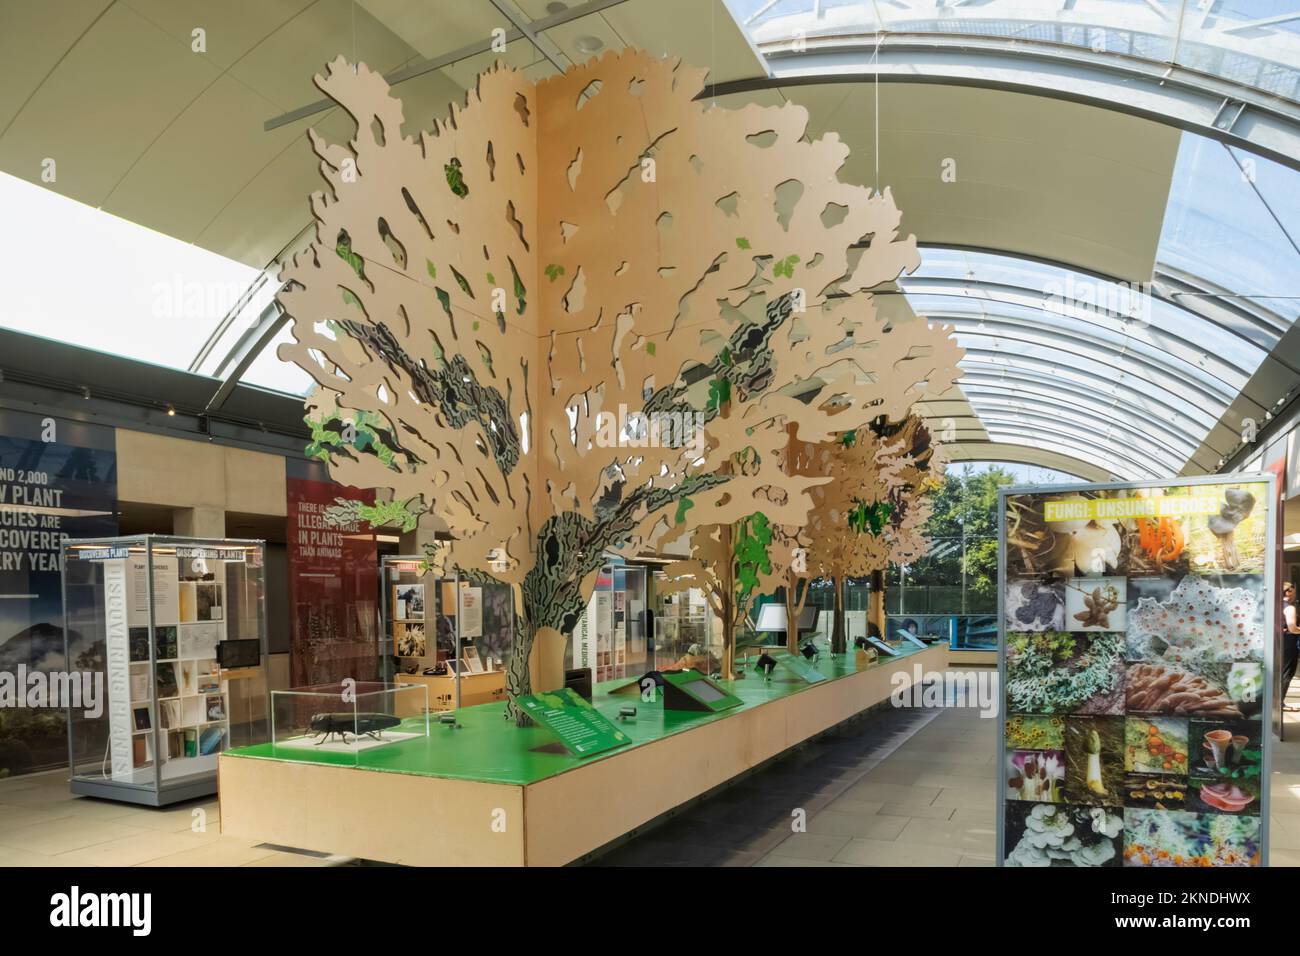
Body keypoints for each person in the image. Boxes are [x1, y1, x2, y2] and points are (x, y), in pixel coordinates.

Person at [1282, 583, 1300, 712]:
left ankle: (1277, 701)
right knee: (1287, 673)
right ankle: (1279, 702)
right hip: (1289, 643)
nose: (1294, 595)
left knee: (1281, 672)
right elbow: (1292, 627)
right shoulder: (1289, 608)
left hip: (1279, 642)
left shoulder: (1274, 605)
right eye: (1293, 592)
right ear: (1288, 592)